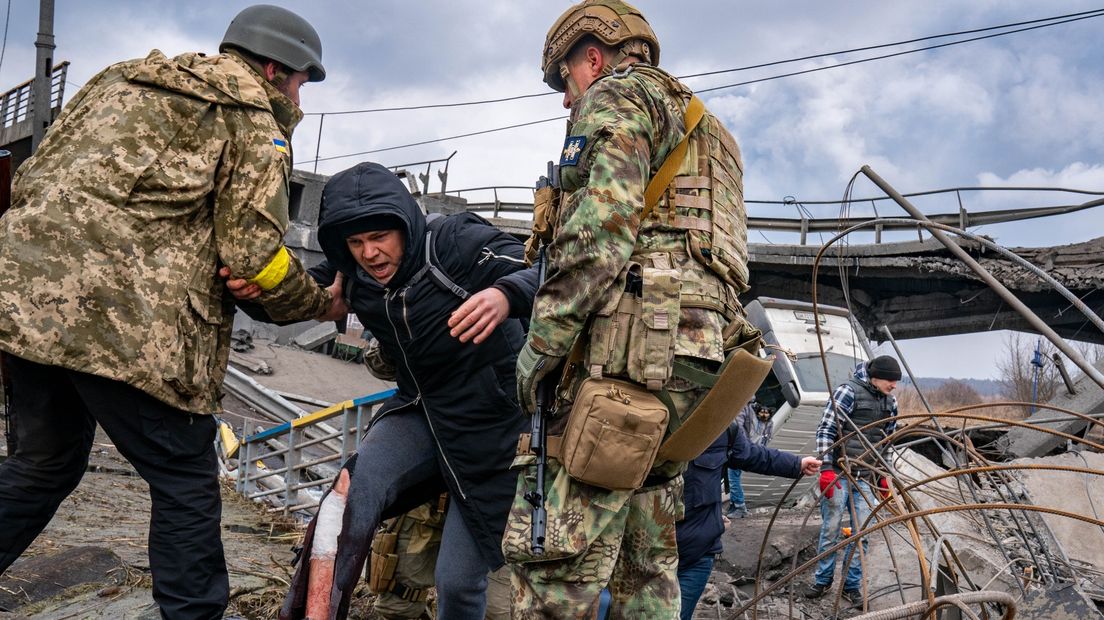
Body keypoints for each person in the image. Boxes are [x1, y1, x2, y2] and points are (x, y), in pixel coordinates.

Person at [0, 5, 339, 618]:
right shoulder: (252, 122)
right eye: (298, 83)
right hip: (131, 330)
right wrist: (323, 302)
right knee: (185, 483)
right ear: (272, 69)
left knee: (42, 465)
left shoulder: (118, 80)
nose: (299, 100)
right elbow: (254, 256)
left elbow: (34, 177)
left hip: (26, 307)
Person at [509, 1, 755, 616]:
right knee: (647, 566)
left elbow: (599, 237)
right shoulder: (715, 134)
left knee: (551, 569)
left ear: (591, 58)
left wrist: (540, 349)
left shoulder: (617, 95)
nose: (568, 101)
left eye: (565, 81)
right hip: (698, 359)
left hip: (626, 353)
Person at [252, 161, 536, 620]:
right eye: (356, 242)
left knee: (458, 581)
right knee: (343, 506)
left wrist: (507, 293)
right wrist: (250, 291)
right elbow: (291, 294)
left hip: (493, 427)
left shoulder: (455, 242)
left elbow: (549, 267)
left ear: (405, 223)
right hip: (418, 411)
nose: (370, 253)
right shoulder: (352, 270)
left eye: (380, 237)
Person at [677, 422, 820, 619]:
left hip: (696, 555)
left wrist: (796, 464)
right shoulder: (651, 421)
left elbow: (753, 455)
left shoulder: (723, 428)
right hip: (646, 555)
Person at [805, 355, 900, 607]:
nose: (893, 385)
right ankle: (823, 580)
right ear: (876, 376)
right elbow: (825, 429)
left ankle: (851, 585)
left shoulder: (890, 402)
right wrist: (825, 469)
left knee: (863, 533)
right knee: (831, 529)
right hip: (838, 473)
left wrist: (882, 475)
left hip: (865, 477)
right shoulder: (848, 392)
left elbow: (886, 441)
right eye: (890, 380)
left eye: (895, 381)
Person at [725, 399, 776, 518]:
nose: (763, 415)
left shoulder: (752, 414)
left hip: (744, 450)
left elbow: (740, 428)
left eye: (766, 413)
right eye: (762, 412)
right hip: (749, 450)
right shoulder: (762, 420)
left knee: (733, 478)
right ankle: (734, 505)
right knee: (733, 477)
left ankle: (739, 506)